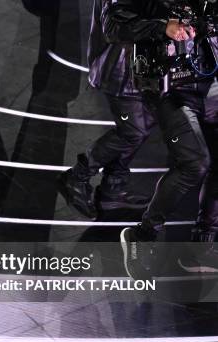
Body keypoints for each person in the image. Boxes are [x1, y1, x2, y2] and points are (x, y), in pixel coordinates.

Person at [105, 0, 218, 278]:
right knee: (194, 163)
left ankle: (203, 246)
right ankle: (143, 236)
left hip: (211, 75)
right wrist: (162, 27)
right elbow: (113, 25)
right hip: (170, 84)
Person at [58, 0, 153, 221]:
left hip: (146, 65)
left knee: (145, 124)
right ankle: (77, 176)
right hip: (121, 67)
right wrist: (162, 24)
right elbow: (115, 27)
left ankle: (113, 188)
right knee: (133, 131)